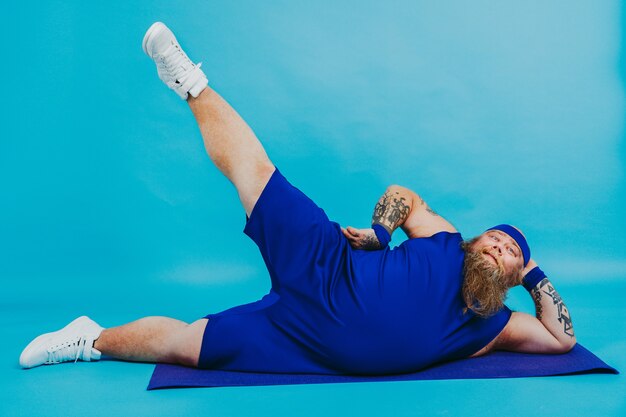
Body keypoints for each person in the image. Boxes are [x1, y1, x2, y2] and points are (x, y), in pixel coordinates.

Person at [19, 22, 576, 374]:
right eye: (496, 239)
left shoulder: (496, 323)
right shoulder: (449, 243)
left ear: (512, 275)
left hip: (305, 343)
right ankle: (188, 79)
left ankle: (86, 338)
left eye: (509, 252)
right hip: (330, 269)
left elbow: (562, 341)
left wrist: (532, 274)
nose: (498, 247)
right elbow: (402, 196)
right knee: (258, 176)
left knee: (187, 346)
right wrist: (382, 231)